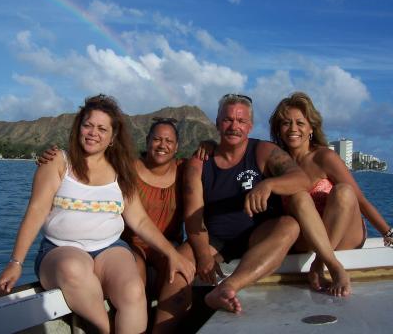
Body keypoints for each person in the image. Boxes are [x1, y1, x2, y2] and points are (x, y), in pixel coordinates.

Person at [0, 94, 195, 334]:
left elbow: (139, 220)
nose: (93, 133)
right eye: (87, 125)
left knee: (133, 290)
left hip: (109, 248)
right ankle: (104, 328)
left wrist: (172, 253)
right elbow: (36, 211)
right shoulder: (58, 162)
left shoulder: (121, 170)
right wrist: (16, 262)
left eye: (101, 128)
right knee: (74, 270)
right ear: (78, 127)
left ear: (112, 137)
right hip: (60, 249)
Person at [156, 93, 351, 331]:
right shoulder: (199, 162)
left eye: (241, 121)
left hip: (258, 233)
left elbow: (300, 179)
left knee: (290, 225)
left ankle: (227, 287)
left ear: (249, 125)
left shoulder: (263, 151)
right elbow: (193, 213)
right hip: (214, 239)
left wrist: (268, 184)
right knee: (176, 270)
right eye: (227, 120)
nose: (234, 126)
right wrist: (204, 256)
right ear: (217, 123)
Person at [38, 117, 186, 330]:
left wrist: (208, 146)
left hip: (161, 244)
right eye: (157, 139)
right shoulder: (126, 168)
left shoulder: (184, 169)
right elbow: (92, 162)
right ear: (147, 140)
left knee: (176, 275)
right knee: (133, 276)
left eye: (169, 141)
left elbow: (210, 161)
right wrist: (50, 159)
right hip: (129, 244)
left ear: (177, 146)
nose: (162, 145)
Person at [269, 91, 393, 287]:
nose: (293, 128)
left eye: (300, 123)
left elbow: (359, 200)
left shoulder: (324, 157)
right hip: (308, 237)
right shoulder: (275, 162)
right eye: (286, 123)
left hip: (344, 234)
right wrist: (208, 147)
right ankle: (323, 256)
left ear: (311, 128)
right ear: (278, 129)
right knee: (297, 199)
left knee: (343, 191)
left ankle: (321, 262)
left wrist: (388, 233)